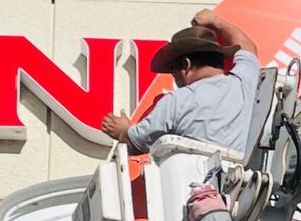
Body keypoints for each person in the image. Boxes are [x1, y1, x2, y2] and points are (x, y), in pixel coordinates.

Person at [103, 9, 260, 155]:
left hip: (196, 181)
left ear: (186, 64)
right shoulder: (242, 83)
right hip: (240, 180)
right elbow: (247, 46)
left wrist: (122, 130)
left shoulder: (176, 101)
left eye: (173, 70)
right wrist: (216, 21)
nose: (174, 77)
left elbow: (137, 142)